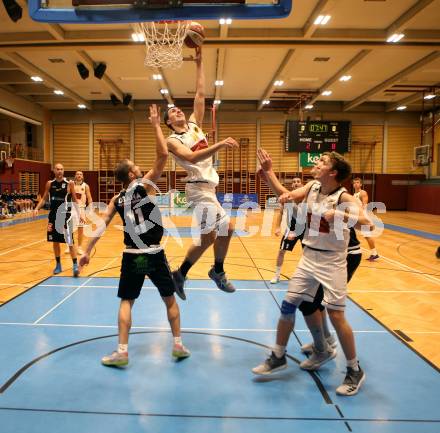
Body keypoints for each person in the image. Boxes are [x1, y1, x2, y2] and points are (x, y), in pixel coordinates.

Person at [252, 150, 373, 396]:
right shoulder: (312, 187)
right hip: (309, 257)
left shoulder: (344, 197)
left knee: (336, 315)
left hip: (333, 261)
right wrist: (269, 171)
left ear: (333, 172)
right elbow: (285, 197)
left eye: (322, 161)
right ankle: (278, 355)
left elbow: (367, 222)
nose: (316, 162)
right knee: (288, 304)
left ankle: (354, 369)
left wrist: (339, 214)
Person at [79, 105, 190, 366]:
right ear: (132, 174)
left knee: (127, 301)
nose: (139, 167)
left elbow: (101, 226)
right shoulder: (145, 186)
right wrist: (154, 125)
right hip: (154, 254)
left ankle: (122, 351)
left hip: (133, 257)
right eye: (135, 166)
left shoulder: (116, 200)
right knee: (169, 299)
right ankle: (178, 345)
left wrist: (85, 252)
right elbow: (163, 153)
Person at [164, 46, 239, 300]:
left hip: (210, 189)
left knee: (207, 239)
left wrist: (199, 62)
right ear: (168, 122)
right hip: (198, 189)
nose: (177, 111)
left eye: (177, 109)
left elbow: (200, 93)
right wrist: (219, 144)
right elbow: (192, 157)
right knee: (227, 227)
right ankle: (218, 271)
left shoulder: (195, 124)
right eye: (172, 111)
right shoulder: (172, 139)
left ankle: (180, 274)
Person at [33, 163, 84, 277]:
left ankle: (75, 265)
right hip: (53, 217)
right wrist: (36, 208)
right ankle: (58, 265)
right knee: (55, 242)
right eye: (58, 169)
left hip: (66, 217)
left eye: (61, 169)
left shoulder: (69, 184)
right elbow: (45, 197)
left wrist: (80, 214)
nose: (60, 171)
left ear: (63, 171)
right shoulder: (50, 184)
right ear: (54, 171)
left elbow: (75, 200)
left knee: (70, 242)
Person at [271, 177, 303, 284]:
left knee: (308, 254)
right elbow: (280, 213)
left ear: (302, 184)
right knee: (281, 251)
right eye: (294, 182)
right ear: (292, 185)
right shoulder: (287, 198)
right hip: (291, 229)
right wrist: (277, 227)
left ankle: (306, 277)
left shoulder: (306, 197)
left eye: (298, 181)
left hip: (306, 230)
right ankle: (277, 275)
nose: (296, 183)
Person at [65, 171, 93, 255]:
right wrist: (70, 186)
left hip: (81, 209)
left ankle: (79, 247)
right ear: (75, 176)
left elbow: (89, 197)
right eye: (77, 174)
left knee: (81, 229)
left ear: (83, 176)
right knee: (69, 229)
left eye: (80, 174)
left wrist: (91, 207)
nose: (79, 175)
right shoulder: (71, 184)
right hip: (72, 208)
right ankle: (69, 246)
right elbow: (67, 193)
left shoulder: (86, 186)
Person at [353, 177, 379, 261]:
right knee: (350, 232)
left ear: (361, 184)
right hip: (357, 217)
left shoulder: (363, 192)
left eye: (357, 182)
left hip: (363, 217)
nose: (356, 184)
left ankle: (374, 253)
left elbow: (364, 205)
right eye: (354, 183)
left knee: (367, 235)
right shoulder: (354, 194)